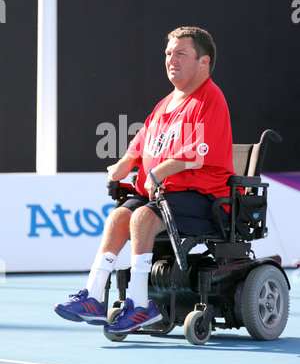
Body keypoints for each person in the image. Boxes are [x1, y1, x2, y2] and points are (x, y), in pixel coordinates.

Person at [54, 26, 235, 333]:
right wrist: (126, 162)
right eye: (168, 53)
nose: (171, 60)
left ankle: (140, 307)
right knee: (120, 216)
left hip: (204, 197)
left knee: (141, 217)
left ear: (203, 62)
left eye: (181, 54)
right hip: (165, 193)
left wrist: (157, 171)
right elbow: (143, 140)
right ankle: (93, 297)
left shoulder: (210, 100)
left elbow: (198, 153)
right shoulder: (167, 103)